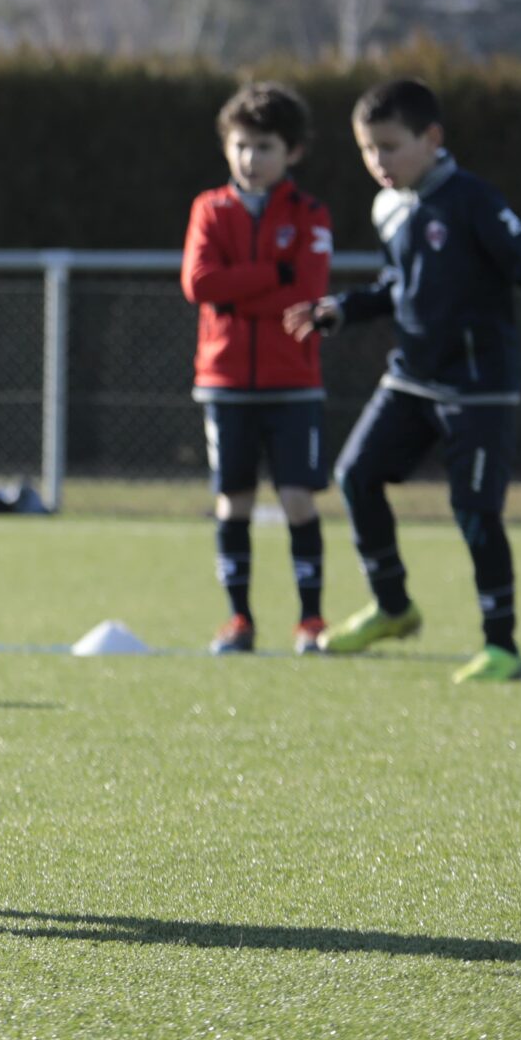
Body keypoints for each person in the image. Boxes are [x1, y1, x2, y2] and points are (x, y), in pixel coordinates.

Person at [284, 79, 521, 684]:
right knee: (356, 476)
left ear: (432, 139)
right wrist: (343, 308)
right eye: (368, 150)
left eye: (390, 147)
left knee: (475, 511)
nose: (379, 162)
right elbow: (400, 287)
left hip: (477, 389)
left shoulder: (473, 201)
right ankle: (393, 606)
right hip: (412, 380)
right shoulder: (388, 205)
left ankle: (502, 647)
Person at [180, 81, 335, 655]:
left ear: (291, 152)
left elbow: (310, 292)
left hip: (293, 384)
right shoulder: (208, 209)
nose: (251, 159)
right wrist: (275, 273)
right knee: (234, 501)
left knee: (298, 499)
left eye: (265, 147)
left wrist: (237, 290)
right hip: (223, 382)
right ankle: (239, 619)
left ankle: (312, 621)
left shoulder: (311, 214)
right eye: (241, 146)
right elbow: (199, 285)